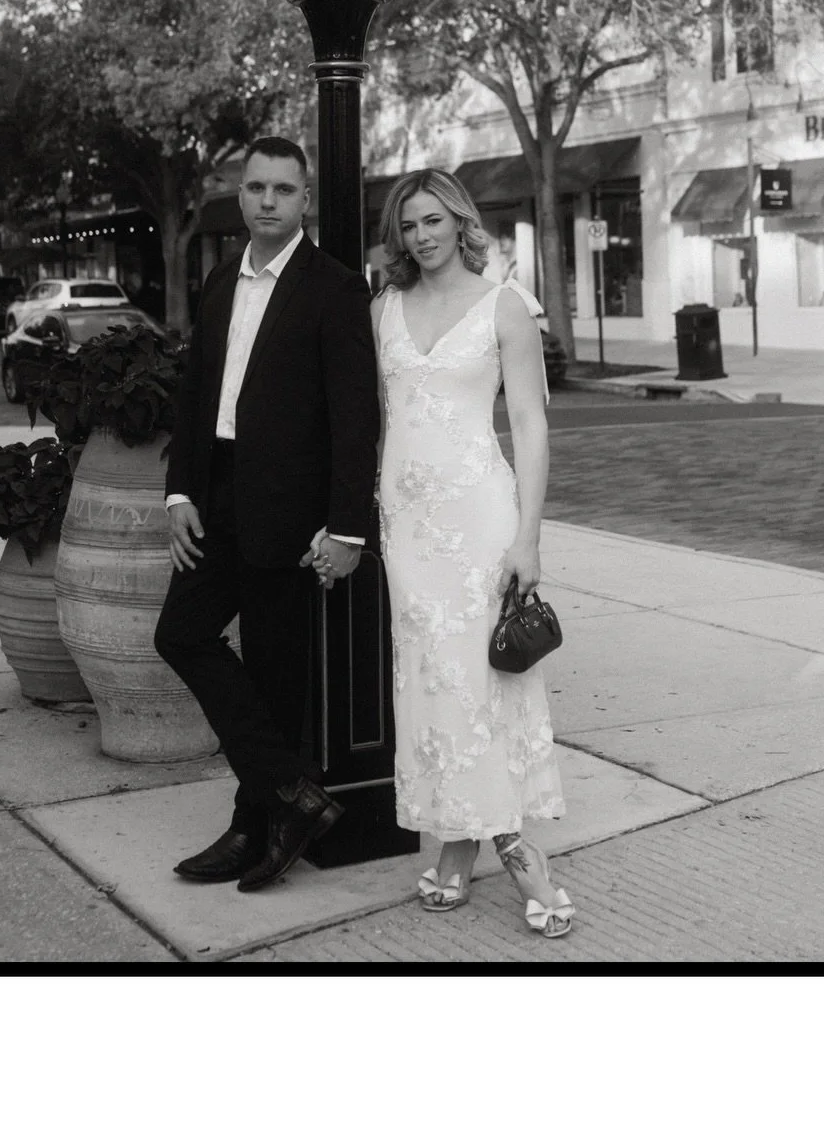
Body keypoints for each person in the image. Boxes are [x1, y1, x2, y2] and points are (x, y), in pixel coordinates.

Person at [154, 137, 380, 892]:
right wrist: (180, 492)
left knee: (278, 681)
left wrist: (348, 528)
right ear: (239, 194)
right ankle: (291, 792)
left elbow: (355, 419)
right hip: (215, 497)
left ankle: (257, 822)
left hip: (290, 512)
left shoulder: (335, 288)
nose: (269, 201)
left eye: (285, 189)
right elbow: (194, 400)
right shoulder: (221, 279)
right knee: (181, 633)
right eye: (256, 188)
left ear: (304, 199)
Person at [364, 167, 573, 939]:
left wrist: (529, 535)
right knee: (428, 682)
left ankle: (515, 846)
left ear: (460, 222)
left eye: (432, 221)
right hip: (408, 529)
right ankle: (453, 838)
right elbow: (381, 420)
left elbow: (532, 425)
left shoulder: (506, 306)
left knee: (485, 681)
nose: (420, 236)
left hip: (481, 521)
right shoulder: (383, 308)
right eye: (407, 224)